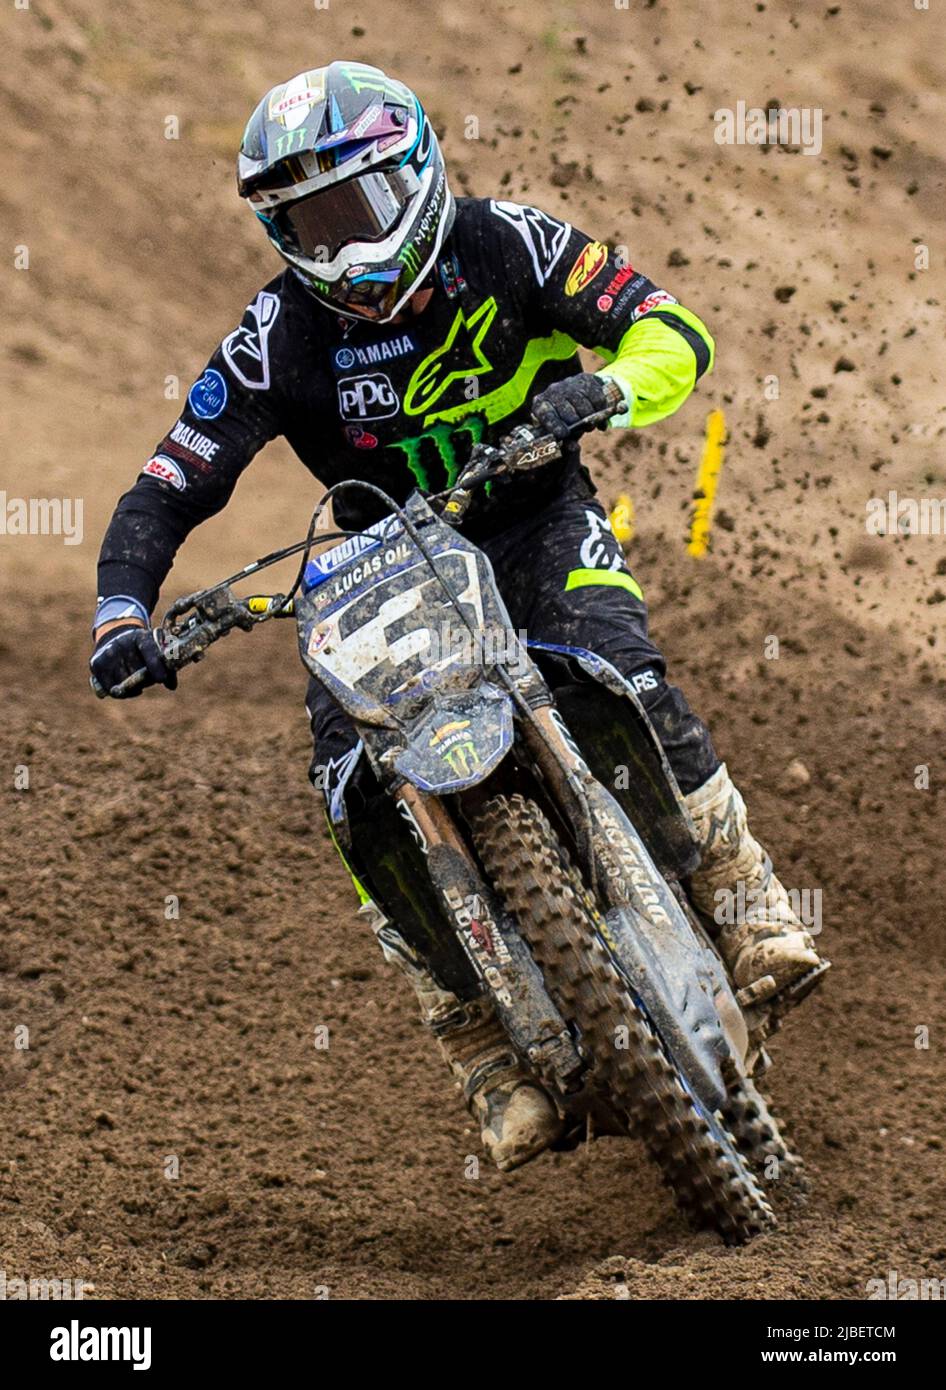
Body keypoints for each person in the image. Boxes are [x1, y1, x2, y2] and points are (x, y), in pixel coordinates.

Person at [91, 62, 826, 1171]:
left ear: (419, 173)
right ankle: (480, 1045)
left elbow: (670, 327)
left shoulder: (507, 243)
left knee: (619, 664)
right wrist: (120, 613)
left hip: (530, 511)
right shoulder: (274, 335)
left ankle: (746, 896)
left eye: (358, 207)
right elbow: (169, 483)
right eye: (307, 219)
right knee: (349, 787)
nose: (339, 244)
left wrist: (606, 387)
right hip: (379, 562)